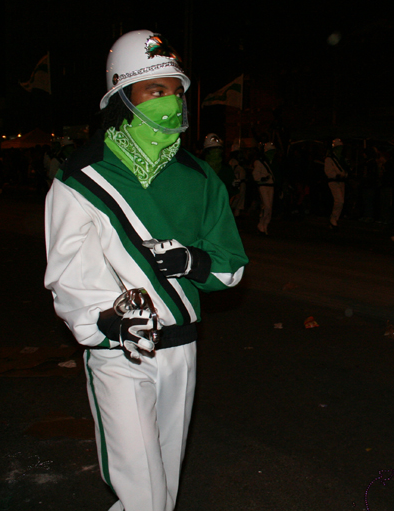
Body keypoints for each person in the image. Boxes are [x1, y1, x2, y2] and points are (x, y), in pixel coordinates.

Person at [43, 29, 248, 510]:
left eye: (176, 90)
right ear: (121, 96)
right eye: (154, 90)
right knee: (146, 497)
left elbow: (232, 269)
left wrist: (192, 262)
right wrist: (106, 321)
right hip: (121, 354)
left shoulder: (200, 179)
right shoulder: (83, 179)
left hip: (184, 351)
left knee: (165, 491)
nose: (170, 102)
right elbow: (67, 276)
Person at [325, 138, 349, 229]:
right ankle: (333, 219)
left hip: (341, 182)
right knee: (339, 200)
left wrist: (345, 175)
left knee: (341, 201)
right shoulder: (329, 159)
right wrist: (337, 175)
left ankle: (334, 219)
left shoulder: (342, 159)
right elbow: (328, 172)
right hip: (334, 181)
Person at [253, 141, 277, 235]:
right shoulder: (259, 162)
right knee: (266, 205)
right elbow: (255, 175)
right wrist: (263, 178)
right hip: (263, 185)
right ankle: (261, 223)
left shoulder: (274, 163)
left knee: (269, 207)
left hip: (271, 186)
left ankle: (265, 224)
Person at [228, 142, 247, 217]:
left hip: (241, 182)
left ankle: (236, 216)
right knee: (235, 199)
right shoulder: (232, 161)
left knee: (239, 200)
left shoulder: (239, 161)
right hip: (237, 182)